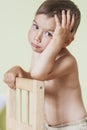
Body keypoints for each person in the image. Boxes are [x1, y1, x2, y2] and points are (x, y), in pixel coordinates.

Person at [4, 0, 87, 129]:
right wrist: (19, 71)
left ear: (67, 41)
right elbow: (34, 76)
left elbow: (38, 74)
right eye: (36, 26)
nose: (37, 38)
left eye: (49, 34)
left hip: (72, 126)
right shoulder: (39, 54)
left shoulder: (68, 61)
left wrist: (58, 40)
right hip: (47, 125)